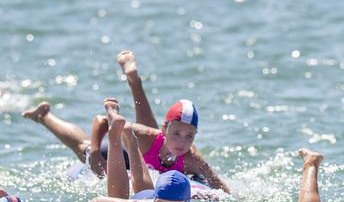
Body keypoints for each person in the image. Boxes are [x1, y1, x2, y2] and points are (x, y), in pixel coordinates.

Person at [21, 51, 229, 193]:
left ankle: (134, 80)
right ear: (167, 129)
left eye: (189, 136)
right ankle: (45, 116)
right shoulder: (150, 136)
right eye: (177, 133)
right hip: (123, 153)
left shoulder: (193, 159)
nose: (182, 142)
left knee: (151, 134)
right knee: (83, 148)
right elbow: (102, 120)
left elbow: (220, 188)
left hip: (145, 152)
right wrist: (94, 153)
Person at [70, 98, 240, 202]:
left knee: (146, 188)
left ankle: (131, 141)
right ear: (156, 201)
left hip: (150, 196)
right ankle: (116, 134)